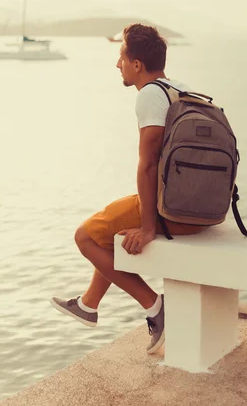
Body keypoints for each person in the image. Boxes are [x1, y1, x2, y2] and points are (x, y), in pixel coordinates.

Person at [50, 23, 204, 354]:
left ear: (137, 64)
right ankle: (89, 305)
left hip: (172, 211)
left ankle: (156, 308)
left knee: (86, 236)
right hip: (201, 209)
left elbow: (147, 165)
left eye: (121, 55)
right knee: (111, 222)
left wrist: (148, 227)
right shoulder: (182, 90)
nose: (117, 63)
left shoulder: (150, 94)